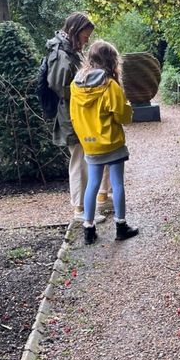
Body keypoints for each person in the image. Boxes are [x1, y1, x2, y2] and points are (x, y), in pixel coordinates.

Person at [45, 13, 111, 226]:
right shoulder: (61, 54)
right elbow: (57, 86)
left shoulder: (69, 51)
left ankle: (94, 201)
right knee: (79, 161)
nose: (87, 40)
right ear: (75, 30)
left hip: (78, 113)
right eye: (85, 35)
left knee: (88, 158)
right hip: (71, 117)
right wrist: (87, 90)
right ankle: (80, 209)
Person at [70, 40, 138, 245]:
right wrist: (128, 108)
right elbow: (123, 116)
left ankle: (88, 229)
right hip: (111, 142)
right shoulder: (110, 85)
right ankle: (121, 225)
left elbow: (73, 116)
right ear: (111, 61)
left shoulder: (76, 85)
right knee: (117, 183)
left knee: (92, 184)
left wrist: (85, 137)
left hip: (90, 144)